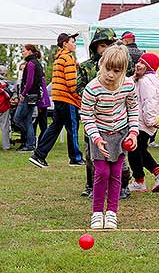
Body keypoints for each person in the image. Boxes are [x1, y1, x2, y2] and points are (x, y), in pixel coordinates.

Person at [81, 44, 139, 229]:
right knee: (102, 172)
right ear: (101, 63)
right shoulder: (92, 88)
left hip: (121, 134)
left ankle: (112, 213)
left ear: (123, 70)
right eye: (108, 68)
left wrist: (133, 133)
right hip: (99, 135)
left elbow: (133, 108)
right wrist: (96, 138)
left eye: (117, 70)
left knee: (116, 174)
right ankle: (97, 213)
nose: (111, 74)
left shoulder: (128, 85)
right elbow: (86, 115)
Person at [29, 32, 84, 168]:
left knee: (55, 127)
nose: (75, 44)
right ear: (65, 44)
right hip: (68, 99)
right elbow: (72, 84)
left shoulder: (59, 58)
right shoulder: (68, 58)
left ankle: (39, 155)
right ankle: (76, 158)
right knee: (73, 128)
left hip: (58, 98)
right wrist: (80, 98)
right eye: (73, 41)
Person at [77, 27, 117, 198]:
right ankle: (90, 184)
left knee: (117, 151)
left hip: (115, 116)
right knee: (91, 152)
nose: (106, 49)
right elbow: (78, 87)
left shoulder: (119, 65)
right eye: (103, 45)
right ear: (95, 47)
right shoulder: (86, 66)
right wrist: (94, 96)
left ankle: (119, 185)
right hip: (93, 115)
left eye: (110, 45)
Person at [128, 53, 159, 193]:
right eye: (138, 62)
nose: (138, 65)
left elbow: (150, 102)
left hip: (142, 122)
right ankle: (158, 173)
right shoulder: (144, 79)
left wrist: (150, 120)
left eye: (142, 63)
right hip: (144, 122)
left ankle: (139, 181)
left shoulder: (146, 81)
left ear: (149, 68)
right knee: (140, 150)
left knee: (134, 151)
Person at [14, 45, 43, 152]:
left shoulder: (31, 64)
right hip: (34, 96)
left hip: (28, 96)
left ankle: (29, 140)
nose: (22, 53)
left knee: (17, 119)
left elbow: (29, 82)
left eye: (24, 51)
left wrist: (23, 94)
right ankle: (30, 144)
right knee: (28, 120)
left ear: (30, 51)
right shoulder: (36, 63)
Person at [33, 75, 50, 144]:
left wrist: (39, 105)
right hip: (43, 104)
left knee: (38, 124)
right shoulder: (41, 79)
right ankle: (41, 141)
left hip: (41, 105)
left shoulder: (38, 79)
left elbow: (41, 93)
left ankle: (39, 141)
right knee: (42, 125)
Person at [0, 66, 13, 150]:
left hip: (3, 106)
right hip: (4, 106)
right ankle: (6, 146)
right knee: (5, 127)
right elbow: (9, 95)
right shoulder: (5, 84)